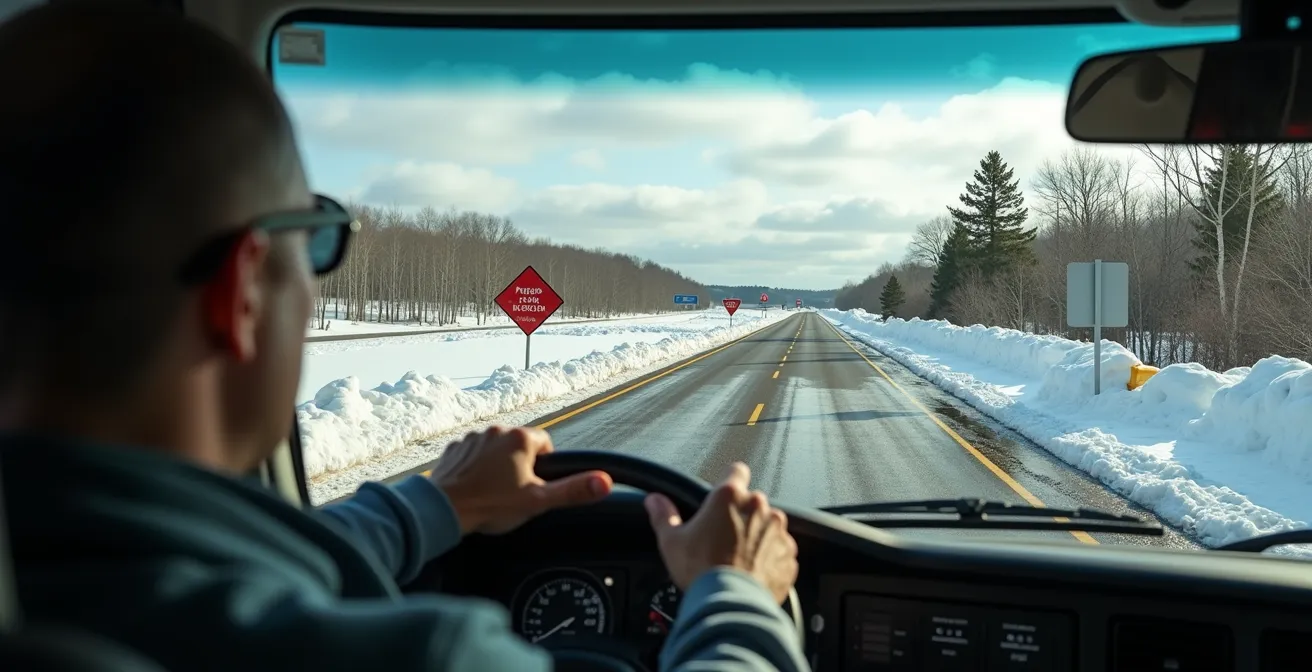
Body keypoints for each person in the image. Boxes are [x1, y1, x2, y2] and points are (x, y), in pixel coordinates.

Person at [0, 2, 808, 671]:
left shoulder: (59, 584)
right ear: (242, 291)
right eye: (316, 241)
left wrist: (434, 504)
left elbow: (212, 565)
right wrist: (734, 597)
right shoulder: (432, 656)